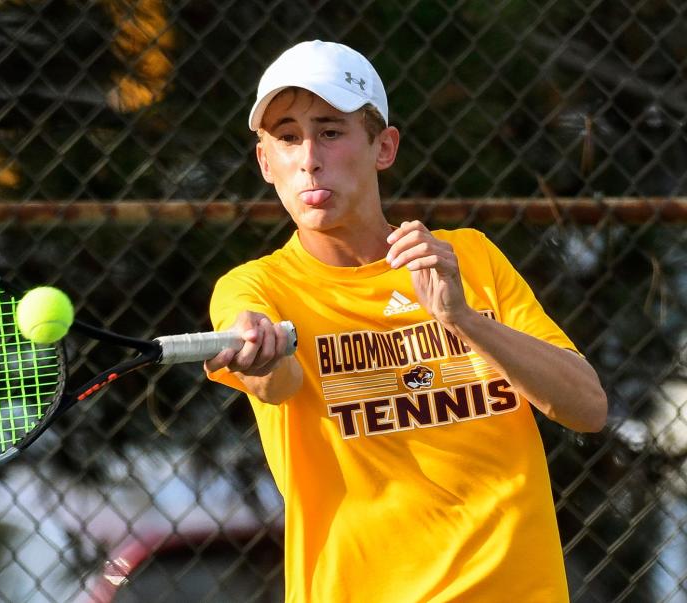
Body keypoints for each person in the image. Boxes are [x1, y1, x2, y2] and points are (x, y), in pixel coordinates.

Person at [204, 40, 608, 602]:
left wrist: (461, 317)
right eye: (288, 137)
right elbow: (276, 381)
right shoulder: (255, 287)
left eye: (331, 130)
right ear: (265, 162)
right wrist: (263, 356)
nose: (309, 157)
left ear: (383, 147)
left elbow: (587, 408)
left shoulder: (469, 257)